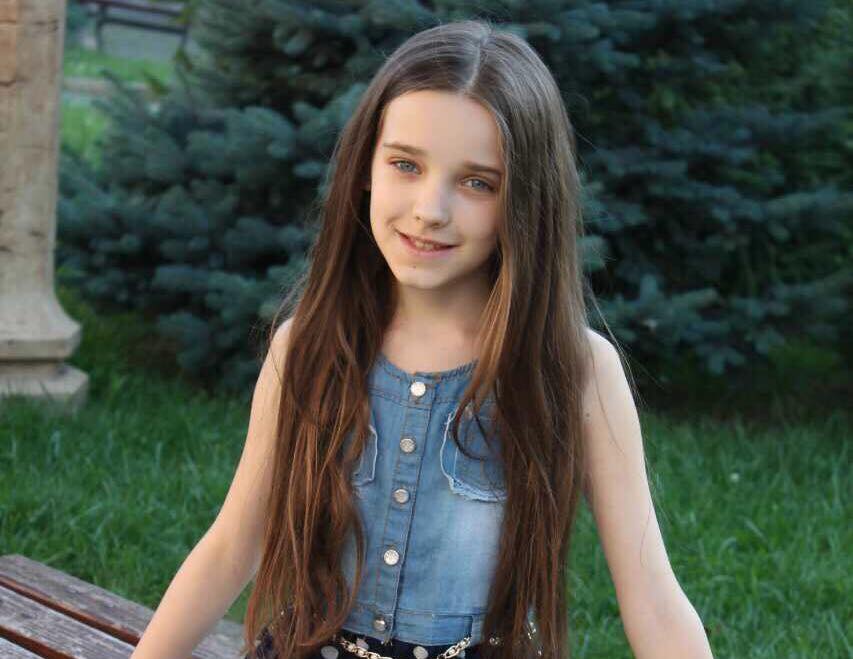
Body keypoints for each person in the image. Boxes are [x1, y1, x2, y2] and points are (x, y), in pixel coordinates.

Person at [131, 18, 714, 659]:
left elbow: (653, 600)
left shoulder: (573, 369)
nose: (430, 210)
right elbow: (230, 548)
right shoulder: (308, 347)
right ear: (365, 168)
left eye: (477, 182)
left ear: (525, 199)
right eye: (406, 164)